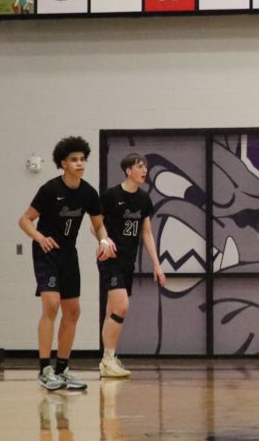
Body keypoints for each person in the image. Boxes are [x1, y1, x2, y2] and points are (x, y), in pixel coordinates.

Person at [18, 136, 112, 391]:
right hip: (47, 252)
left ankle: (63, 368)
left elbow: (98, 225)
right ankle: (44, 369)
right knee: (51, 304)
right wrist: (39, 237)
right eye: (74, 160)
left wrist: (104, 241)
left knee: (73, 311)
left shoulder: (88, 193)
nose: (80, 164)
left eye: (82, 159)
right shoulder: (50, 190)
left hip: (69, 255)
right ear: (63, 163)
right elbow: (25, 220)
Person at [97, 153, 168, 378]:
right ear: (128, 170)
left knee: (112, 310)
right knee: (122, 306)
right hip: (110, 259)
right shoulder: (110, 195)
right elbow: (95, 225)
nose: (144, 170)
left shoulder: (144, 199)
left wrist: (157, 265)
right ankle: (108, 358)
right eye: (139, 166)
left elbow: (146, 233)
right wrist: (104, 241)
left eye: (145, 166)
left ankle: (108, 360)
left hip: (129, 261)